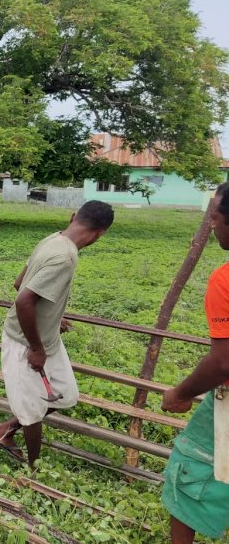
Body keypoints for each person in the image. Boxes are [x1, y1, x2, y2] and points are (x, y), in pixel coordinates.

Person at [0, 200, 114, 467]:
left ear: (72, 217)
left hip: (46, 338)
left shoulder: (53, 240)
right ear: (101, 233)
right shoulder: (64, 257)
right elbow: (23, 300)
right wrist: (36, 348)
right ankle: (33, 468)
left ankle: (3, 431)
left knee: (66, 395)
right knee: (32, 412)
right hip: (24, 340)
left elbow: (20, 282)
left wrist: (53, 317)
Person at [160, 182, 229, 544]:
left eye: (216, 219)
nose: (213, 226)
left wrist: (180, 393)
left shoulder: (225, 279)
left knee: (190, 467)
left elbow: (223, 362)